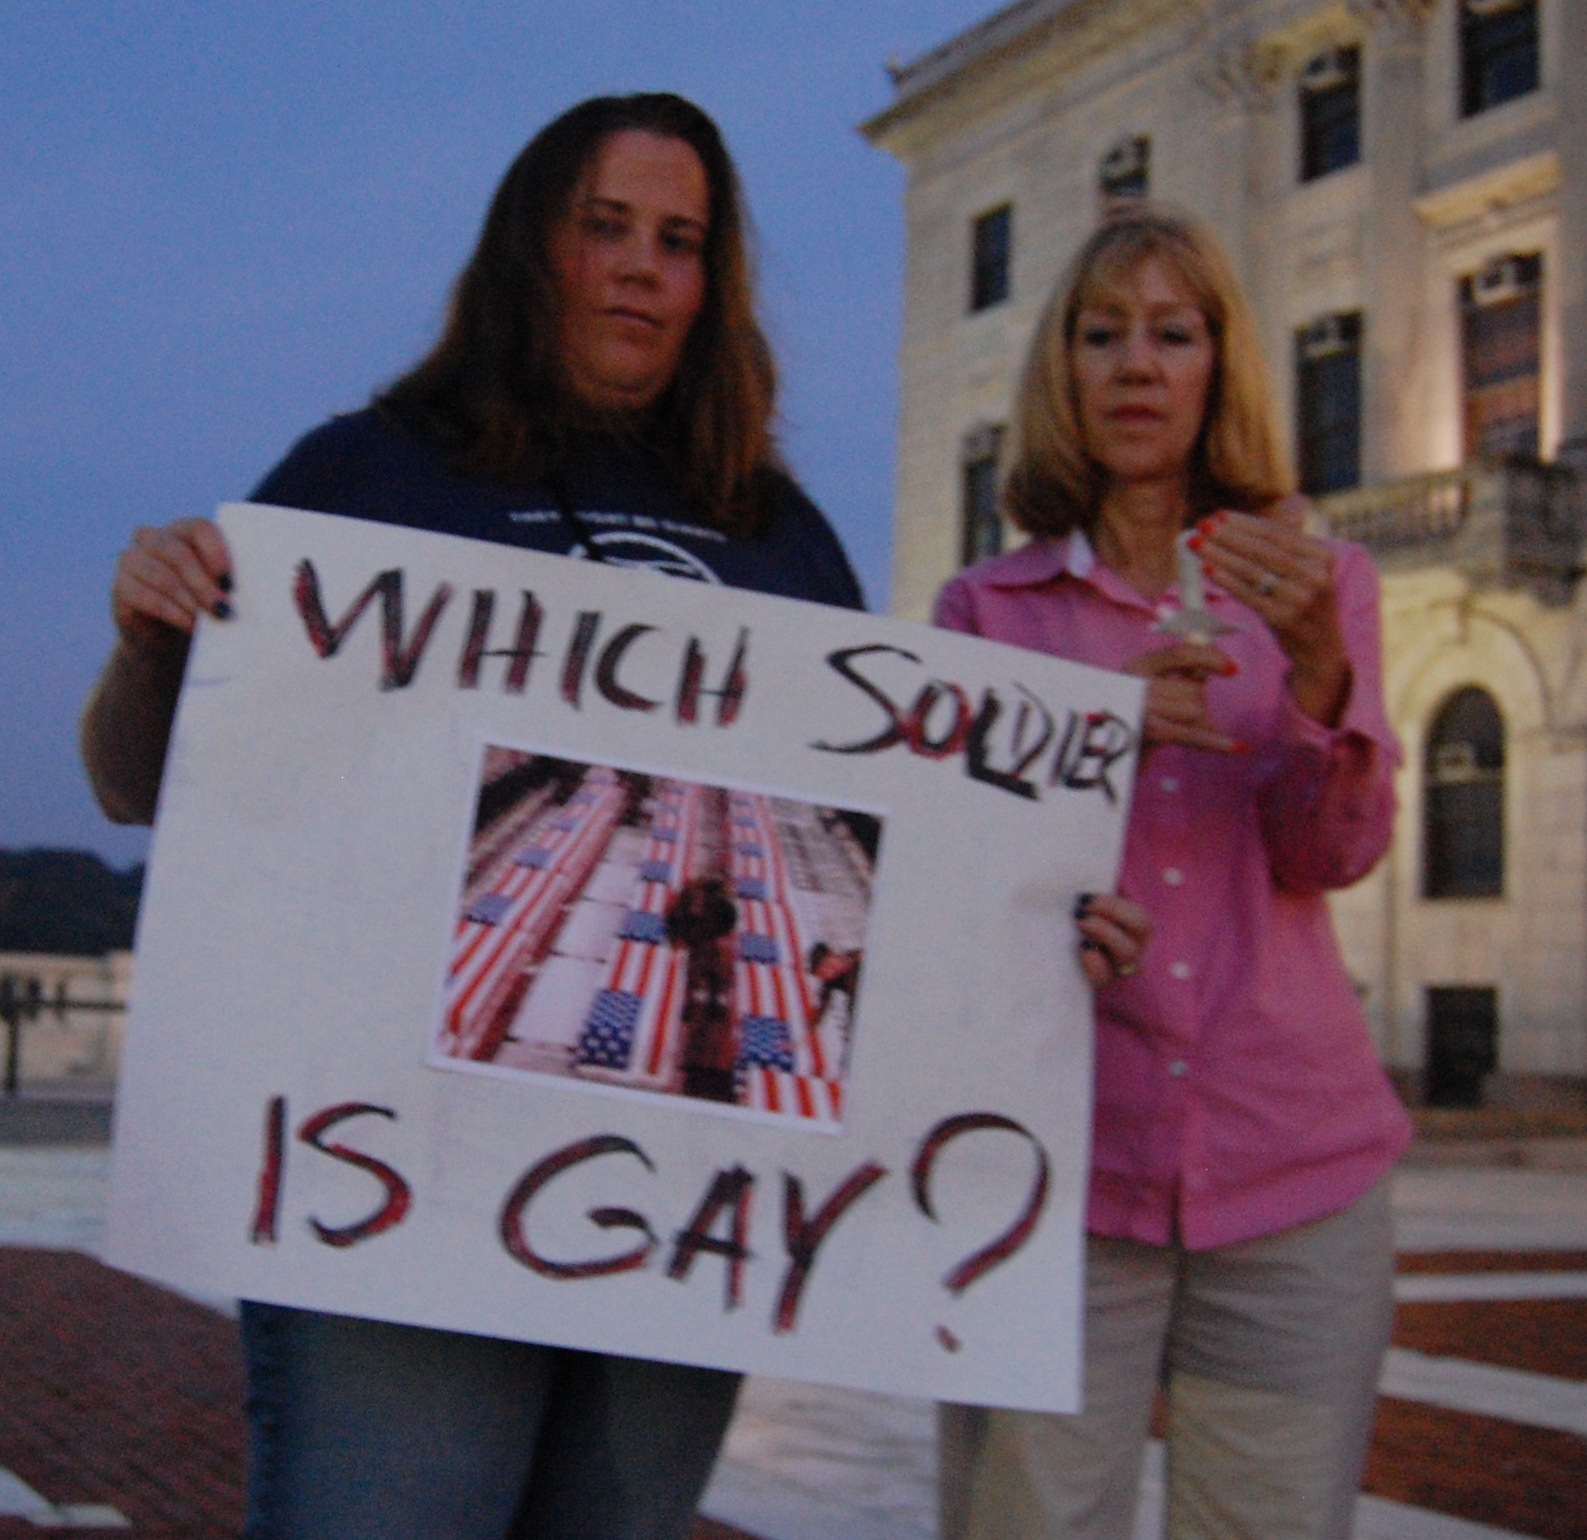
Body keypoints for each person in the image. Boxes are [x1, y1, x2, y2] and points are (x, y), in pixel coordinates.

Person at [80, 93, 867, 1540]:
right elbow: (136, 785)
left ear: (713, 283)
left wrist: (1028, 926)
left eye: (680, 240)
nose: (641, 268)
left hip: (685, 1196)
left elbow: (869, 851)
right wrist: (151, 640)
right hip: (395, 1176)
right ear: (531, 248)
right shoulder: (369, 469)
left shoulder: (782, 533)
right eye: (606, 226)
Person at [933, 207, 1413, 1540]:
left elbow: (1334, 853)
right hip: (1056, 1172)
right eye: (1102, 336)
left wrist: (1318, 669)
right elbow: (959, 890)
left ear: (1220, 364)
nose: (1137, 364)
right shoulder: (988, 612)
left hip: (1294, 1177)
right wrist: (1100, 742)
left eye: (1173, 334)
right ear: (1063, 372)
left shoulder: (1323, 583)